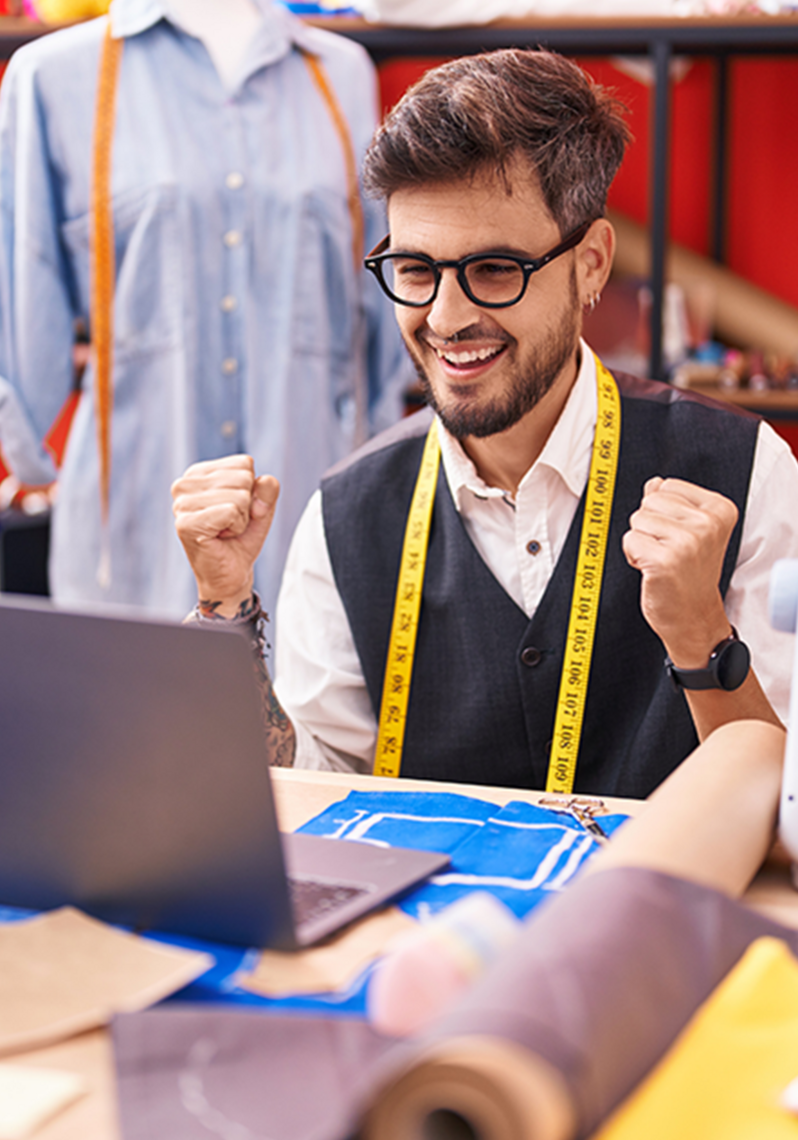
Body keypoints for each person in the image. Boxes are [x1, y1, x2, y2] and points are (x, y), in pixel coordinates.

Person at [172, 48, 798, 796]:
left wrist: (701, 636)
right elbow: (308, 794)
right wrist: (226, 610)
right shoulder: (347, 513)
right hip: (428, 918)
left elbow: (787, 821)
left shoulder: (744, 470)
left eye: (496, 269)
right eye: (415, 270)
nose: (446, 317)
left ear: (593, 263)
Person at [0, 0, 411, 619]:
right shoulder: (53, 77)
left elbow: (378, 287)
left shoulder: (341, 73)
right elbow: (24, 281)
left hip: (307, 499)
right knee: (136, 708)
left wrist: (384, 440)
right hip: (134, 518)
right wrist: (26, 443)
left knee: (306, 705)